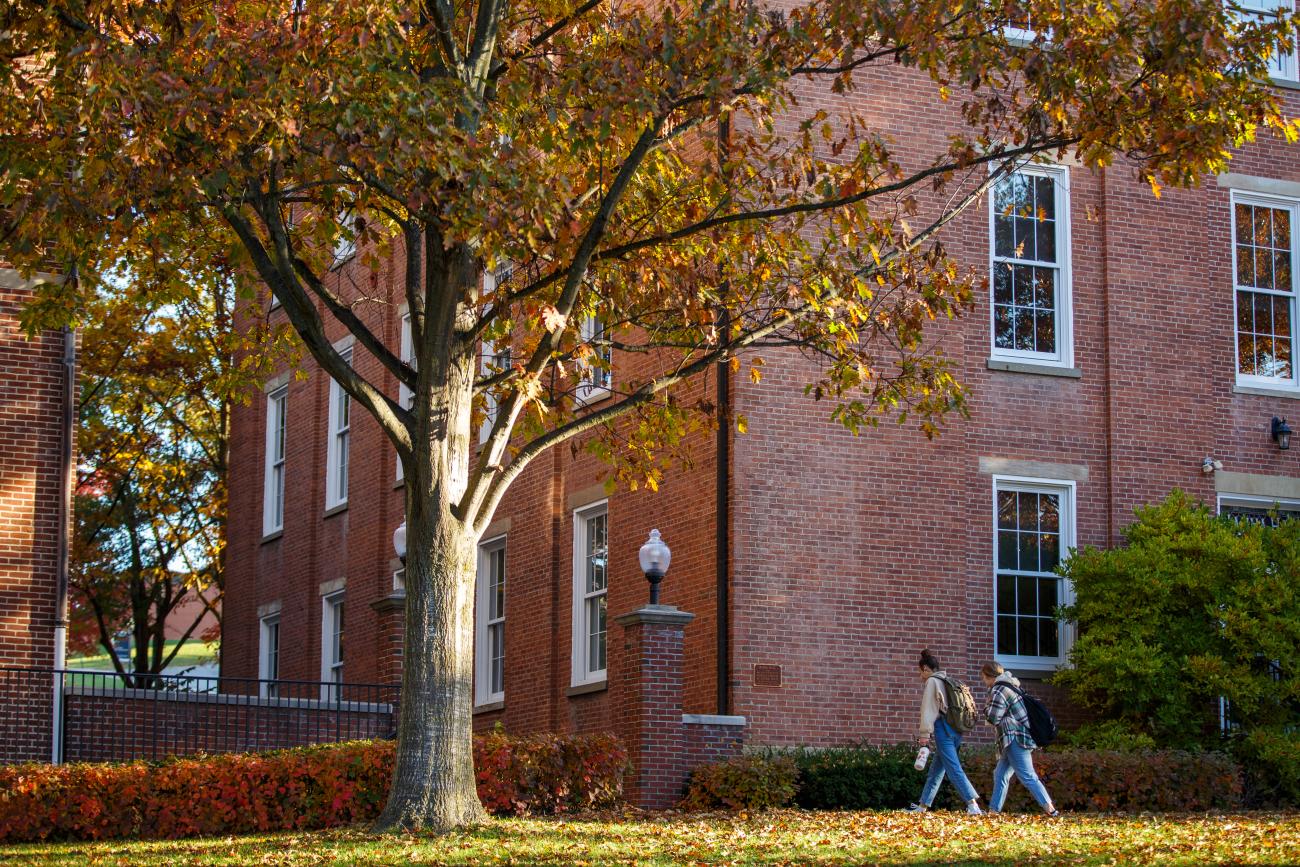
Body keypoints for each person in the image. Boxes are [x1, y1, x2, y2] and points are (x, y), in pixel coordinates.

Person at [907, 649, 983, 815]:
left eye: (920, 672)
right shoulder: (947, 680)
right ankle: (923, 806)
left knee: (953, 768)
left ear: (926, 669)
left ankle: (973, 805)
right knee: (936, 770)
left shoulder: (932, 682)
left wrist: (924, 736)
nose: (920, 676)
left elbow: (928, 710)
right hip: (955, 729)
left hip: (943, 729)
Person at [981, 661, 1059, 817]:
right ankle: (993, 811)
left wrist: (985, 708)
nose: (983, 681)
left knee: (1027, 775)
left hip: (1015, 738)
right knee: (1000, 774)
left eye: (983, 677)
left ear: (989, 676)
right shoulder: (1011, 686)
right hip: (1017, 737)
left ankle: (1051, 810)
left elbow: (993, 718)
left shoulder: (999, 689)